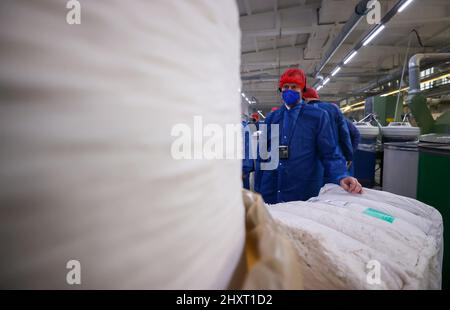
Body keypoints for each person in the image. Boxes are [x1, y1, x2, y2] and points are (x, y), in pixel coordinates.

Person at [254, 68, 362, 203]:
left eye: (294, 87)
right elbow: (262, 155)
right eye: (285, 87)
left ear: (302, 90)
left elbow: (329, 152)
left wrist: (341, 175)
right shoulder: (272, 118)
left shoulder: (317, 117)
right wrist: (257, 188)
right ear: (280, 90)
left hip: (302, 186)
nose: (289, 90)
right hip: (271, 185)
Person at [302, 87, 354, 172]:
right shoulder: (333, 109)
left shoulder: (301, 111)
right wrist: (349, 155)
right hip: (333, 158)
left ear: (304, 98)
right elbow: (344, 133)